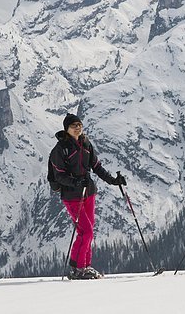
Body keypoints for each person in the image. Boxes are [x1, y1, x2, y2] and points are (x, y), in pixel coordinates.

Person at [50, 113, 126, 280]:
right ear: (66, 129)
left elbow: (96, 166)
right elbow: (59, 176)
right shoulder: (60, 149)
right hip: (72, 196)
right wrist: (76, 182)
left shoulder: (85, 143)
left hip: (88, 192)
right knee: (86, 231)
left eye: (79, 124)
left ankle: (86, 266)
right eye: (73, 125)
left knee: (88, 231)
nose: (77, 127)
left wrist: (113, 181)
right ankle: (78, 269)